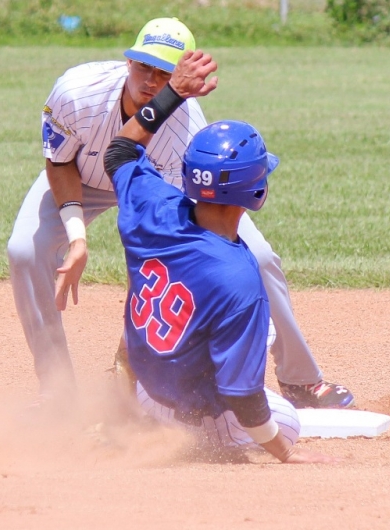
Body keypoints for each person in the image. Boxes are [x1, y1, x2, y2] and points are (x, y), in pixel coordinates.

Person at [7, 17, 354, 409]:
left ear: (181, 79)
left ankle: (300, 380)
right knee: (23, 250)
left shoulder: (184, 134)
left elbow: (161, 244)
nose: (150, 81)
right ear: (128, 63)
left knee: (257, 257)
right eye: (143, 66)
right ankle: (57, 390)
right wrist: (77, 237)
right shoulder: (77, 92)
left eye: (163, 72)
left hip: (157, 187)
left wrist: (129, 349)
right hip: (82, 181)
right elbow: (59, 162)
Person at [102, 49, 336, 463]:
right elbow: (242, 395)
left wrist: (172, 92)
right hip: (196, 414)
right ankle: (201, 447)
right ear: (255, 192)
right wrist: (284, 453)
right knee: (285, 421)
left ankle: (141, 419)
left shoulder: (152, 203)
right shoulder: (239, 279)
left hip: (146, 392)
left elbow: (119, 150)